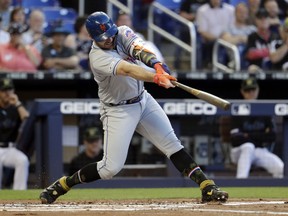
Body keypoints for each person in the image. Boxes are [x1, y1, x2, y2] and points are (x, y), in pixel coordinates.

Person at [39, 11, 228, 204]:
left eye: (111, 34)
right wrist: (156, 77)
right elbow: (128, 69)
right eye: (104, 38)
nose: (110, 39)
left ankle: (207, 186)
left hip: (143, 100)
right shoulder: (97, 57)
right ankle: (64, 184)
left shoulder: (122, 32)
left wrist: (158, 65)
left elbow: (139, 50)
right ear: (92, 37)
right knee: (109, 169)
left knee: (172, 144)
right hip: (117, 110)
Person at [229, 77, 284, 178]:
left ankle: (275, 193)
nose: (250, 93)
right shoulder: (237, 109)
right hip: (239, 151)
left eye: (253, 90)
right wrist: (260, 136)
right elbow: (235, 139)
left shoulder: (264, 109)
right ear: (242, 91)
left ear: (257, 90)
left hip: (259, 151)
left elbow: (272, 136)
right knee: (248, 146)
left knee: (280, 168)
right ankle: (240, 183)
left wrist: (247, 135)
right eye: (247, 90)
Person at [0, 78, 30, 189]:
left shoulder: (16, 108)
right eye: (4, 90)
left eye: (9, 90)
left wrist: (17, 103)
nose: (7, 93)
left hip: (10, 148)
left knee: (22, 160)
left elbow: (26, 118)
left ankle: (19, 193)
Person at [196, 0, 235, 69]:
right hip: (210, 40)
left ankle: (233, 65)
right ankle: (219, 67)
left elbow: (233, 27)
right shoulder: (202, 10)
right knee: (220, 45)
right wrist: (218, 39)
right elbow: (202, 31)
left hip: (228, 38)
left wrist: (226, 37)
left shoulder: (230, 9)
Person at [220, 3, 257, 69]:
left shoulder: (252, 29)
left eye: (244, 12)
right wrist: (241, 38)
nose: (242, 14)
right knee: (240, 48)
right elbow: (227, 42)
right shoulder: (228, 28)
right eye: (240, 12)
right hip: (233, 56)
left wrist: (236, 39)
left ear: (248, 14)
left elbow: (256, 43)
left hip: (251, 57)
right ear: (235, 13)